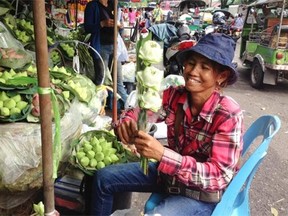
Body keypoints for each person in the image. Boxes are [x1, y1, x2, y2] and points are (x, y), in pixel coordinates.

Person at [90, 33, 244, 216]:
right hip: (169, 175)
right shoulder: (174, 95)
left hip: (199, 193)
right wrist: (126, 123)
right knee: (103, 179)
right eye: (191, 63)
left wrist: (163, 155)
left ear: (221, 76)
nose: (193, 72)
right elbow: (140, 111)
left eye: (205, 67)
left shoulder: (228, 114)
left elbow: (218, 177)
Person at [84, 0, 128, 106]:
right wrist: (102, 23)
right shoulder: (92, 6)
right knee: (101, 78)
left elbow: (118, 25)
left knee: (118, 79)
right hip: (100, 47)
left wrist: (120, 27)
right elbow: (87, 28)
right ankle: (96, 107)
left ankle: (125, 106)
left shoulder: (114, 4)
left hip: (115, 46)